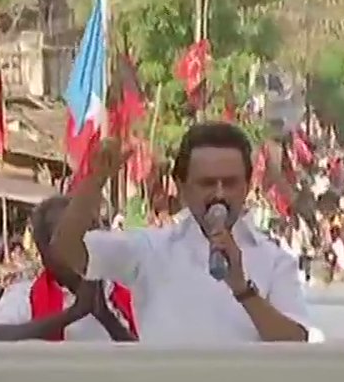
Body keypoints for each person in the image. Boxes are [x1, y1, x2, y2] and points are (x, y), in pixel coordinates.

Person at [51, 122, 310, 342]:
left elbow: (296, 343)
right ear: (182, 188)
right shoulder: (150, 249)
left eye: (230, 183)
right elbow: (68, 250)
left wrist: (242, 289)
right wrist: (95, 180)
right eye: (207, 183)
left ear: (246, 186)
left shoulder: (276, 261)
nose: (219, 194)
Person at [0, 196, 137, 342]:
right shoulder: (25, 296)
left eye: (87, 234)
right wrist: (72, 314)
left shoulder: (126, 293)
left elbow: (151, 360)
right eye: (67, 241)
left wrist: (106, 317)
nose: (81, 247)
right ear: (44, 253)